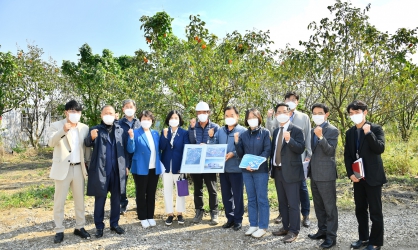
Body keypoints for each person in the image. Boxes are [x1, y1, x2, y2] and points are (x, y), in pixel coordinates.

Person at [344, 100, 386, 250]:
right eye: (351, 113)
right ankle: (363, 238)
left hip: (373, 177)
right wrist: (351, 174)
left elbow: (379, 148)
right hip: (358, 177)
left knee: (375, 211)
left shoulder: (376, 128)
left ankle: (375, 242)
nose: (354, 115)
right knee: (360, 209)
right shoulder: (349, 133)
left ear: (365, 112)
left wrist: (368, 133)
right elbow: (348, 155)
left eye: (357, 112)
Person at [47, 100, 91, 243]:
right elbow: (50, 143)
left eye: (78, 111)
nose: (75, 114)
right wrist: (63, 131)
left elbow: (86, 148)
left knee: (80, 200)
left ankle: (80, 226)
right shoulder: (56, 126)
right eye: (72, 111)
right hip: (62, 169)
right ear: (66, 112)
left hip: (79, 168)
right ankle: (59, 229)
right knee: (59, 201)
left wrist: (88, 165)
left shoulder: (84, 127)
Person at [266, 91, 312, 227]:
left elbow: (305, 140)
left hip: (298, 163)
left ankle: (304, 217)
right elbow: (272, 136)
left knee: (299, 194)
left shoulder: (302, 120)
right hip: (279, 167)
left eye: (293, 99)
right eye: (288, 99)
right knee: (283, 198)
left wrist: (309, 155)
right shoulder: (277, 128)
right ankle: (285, 224)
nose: (281, 114)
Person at [85, 105, 126, 238]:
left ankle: (114, 224)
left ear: (116, 115)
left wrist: (126, 166)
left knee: (116, 199)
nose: (109, 115)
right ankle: (99, 227)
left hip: (116, 170)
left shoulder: (120, 130)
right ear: (101, 115)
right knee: (100, 200)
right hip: (101, 171)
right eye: (106, 113)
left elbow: (125, 149)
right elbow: (86, 143)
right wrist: (91, 137)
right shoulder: (95, 129)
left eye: (111, 113)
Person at [270, 103, 305, 243]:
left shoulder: (296, 130)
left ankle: (294, 230)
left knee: (293, 203)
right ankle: (285, 227)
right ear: (276, 115)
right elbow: (274, 152)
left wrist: (289, 140)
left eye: (284, 111)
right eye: (278, 112)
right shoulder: (275, 131)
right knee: (282, 202)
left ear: (290, 113)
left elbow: (301, 148)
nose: (281, 114)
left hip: (291, 173)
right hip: (277, 171)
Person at [208, 106, 246, 231]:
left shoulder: (243, 131)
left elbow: (244, 149)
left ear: (237, 116)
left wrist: (233, 153)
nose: (229, 118)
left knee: (237, 195)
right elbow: (214, 148)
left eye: (231, 115)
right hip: (223, 169)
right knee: (226, 195)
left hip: (236, 169)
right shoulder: (220, 131)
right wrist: (211, 137)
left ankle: (238, 220)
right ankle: (229, 218)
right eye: (226, 116)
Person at [234, 108, 271, 238]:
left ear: (259, 117)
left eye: (254, 116)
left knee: (262, 198)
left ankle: (263, 226)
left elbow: (267, 151)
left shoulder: (265, 132)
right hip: (246, 171)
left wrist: (255, 164)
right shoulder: (243, 134)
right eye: (249, 117)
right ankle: (253, 224)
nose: (251, 119)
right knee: (251, 199)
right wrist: (237, 142)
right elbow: (240, 154)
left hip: (260, 171)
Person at [306, 103, 339, 248]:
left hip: (326, 175)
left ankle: (331, 237)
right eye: (314, 113)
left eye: (320, 113)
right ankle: (322, 230)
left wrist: (320, 137)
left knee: (329, 207)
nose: (317, 116)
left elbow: (330, 151)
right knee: (318, 206)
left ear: (327, 114)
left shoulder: (332, 130)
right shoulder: (312, 129)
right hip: (314, 173)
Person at [127, 110, 162, 228]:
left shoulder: (156, 133)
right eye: (143, 119)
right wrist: (131, 138)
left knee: (151, 193)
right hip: (140, 167)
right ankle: (142, 217)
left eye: (148, 119)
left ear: (152, 121)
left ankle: (150, 216)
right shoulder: (135, 132)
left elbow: (159, 150)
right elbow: (130, 150)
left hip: (154, 168)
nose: (146, 121)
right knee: (141, 193)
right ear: (140, 120)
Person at [188, 101, 220, 225]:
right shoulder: (193, 126)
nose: (202, 114)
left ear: (208, 113)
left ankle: (214, 212)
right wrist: (191, 128)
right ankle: (199, 211)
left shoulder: (215, 127)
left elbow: (217, 145)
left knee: (212, 189)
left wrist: (208, 144)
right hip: (195, 162)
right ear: (196, 113)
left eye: (204, 112)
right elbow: (191, 142)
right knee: (198, 189)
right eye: (199, 112)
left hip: (209, 163)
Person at [159, 110, 190, 226]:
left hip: (179, 166)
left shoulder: (184, 133)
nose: (173, 119)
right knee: (167, 190)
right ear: (168, 119)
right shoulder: (164, 131)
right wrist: (165, 136)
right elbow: (161, 146)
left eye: (176, 117)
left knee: (181, 191)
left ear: (179, 120)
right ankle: (170, 214)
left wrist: (184, 166)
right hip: (166, 166)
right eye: (171, 117)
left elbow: (186, 148)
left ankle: (180, 213)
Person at [118, 99, 141, 215]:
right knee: (122, 182)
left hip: (137, 157)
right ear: (123, 109)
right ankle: (123, 204)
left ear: (135, 108)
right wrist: (124, 163)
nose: (129, 109)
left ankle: (139, 202)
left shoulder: (140, 123)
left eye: (131, 106)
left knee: (139, 181)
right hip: (123, 156)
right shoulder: (118, 124)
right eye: (126, 106)